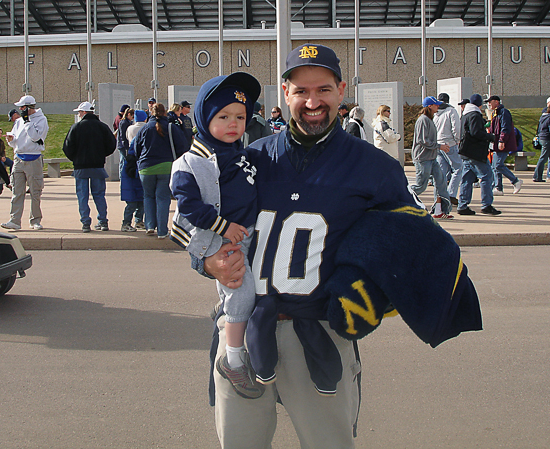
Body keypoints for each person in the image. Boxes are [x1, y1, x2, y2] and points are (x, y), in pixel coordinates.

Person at [201, 44, 418, 448]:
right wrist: (209, 263)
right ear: (285, 94)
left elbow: (411, 246)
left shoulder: (375, 168)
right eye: (301, 91)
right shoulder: (250, 160)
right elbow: (204, 229)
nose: (312, 101)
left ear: (341, 90)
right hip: (243, 330)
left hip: (320, 332)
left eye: (323, 89)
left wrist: (370, 300)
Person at [170, 72, 262, 399]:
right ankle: (233, 358)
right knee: (242, 290)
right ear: (203, 118)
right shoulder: (192, 162)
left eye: (240, 116)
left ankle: (229, 315)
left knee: (243, 291)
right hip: (226, 241)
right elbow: (184, 217)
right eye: (223, 116)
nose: (233, 123)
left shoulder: (245, 154)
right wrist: (220, 234)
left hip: (251, 236)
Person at [132, 102, 189, 238]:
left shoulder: (144, 128)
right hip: (166, 166)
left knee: (148, 196)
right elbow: (182, 146)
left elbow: (136, 149)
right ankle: (162, 231)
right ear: (165, 112)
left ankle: (150, 226)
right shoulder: (171, 127)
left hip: (145, 168)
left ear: (151, 112)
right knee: (162, 198)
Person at [62, 102, 117, 232]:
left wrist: (75, 158)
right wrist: (102, 155)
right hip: (98, 166)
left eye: (80, 112)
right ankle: (103, 221)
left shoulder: (76, 127)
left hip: (80, 167)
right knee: (99, 195)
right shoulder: (102, 127)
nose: (79, 114)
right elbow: (111, 144)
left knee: (82, 196)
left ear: (84, 112)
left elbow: (67, 147)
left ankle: (85, 222)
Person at [2, 95, 49, 231]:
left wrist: (28, 122)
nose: (20, 110)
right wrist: (11, 140)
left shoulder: (41, 120)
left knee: (35, 191)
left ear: (29, 107)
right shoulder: (18, 122)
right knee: (17, 190)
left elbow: (35, 137)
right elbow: (15, 140)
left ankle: (35, 220)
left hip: (33, 158)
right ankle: (14, 220)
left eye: (22, 107)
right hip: (19, 158)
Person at [457, 94, 500, 216]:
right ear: (479, 104)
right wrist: (490, 137)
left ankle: (462, 205)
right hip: (475, 152)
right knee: (487, 176)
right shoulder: (475, 115)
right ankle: (486, 204)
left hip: (465, 151)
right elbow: (476, 132)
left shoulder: (465, 115)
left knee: (467, 179)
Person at [411, 96, 453, 218]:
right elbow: (423, 141)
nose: (438, 106)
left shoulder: (429, 119)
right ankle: (402, 196)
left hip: (431, 158)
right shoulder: (423, 120)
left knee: (441, 182)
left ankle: (438, 210)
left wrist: (438, 147)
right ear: (429, 106)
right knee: (421, 186)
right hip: (423, 158)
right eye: (436, 105)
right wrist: (439, 146)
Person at [486, 96, 523, 195]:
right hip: (495, 142)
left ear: (497, 102)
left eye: (490, 102)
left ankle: (515, 181)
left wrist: (502, 140)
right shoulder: (495, 113)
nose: (489, 104)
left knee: (498, 165)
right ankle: (498, 188)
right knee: (494, 166)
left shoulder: (504, 112)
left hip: (502, 143)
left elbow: (505, 127)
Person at [434, 93, 463, 205]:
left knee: (442, 171)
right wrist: (457, 140)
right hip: (449, 143)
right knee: (458, 168)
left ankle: (440, 196)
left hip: (438, 144)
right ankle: (450, 194)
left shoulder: (436, 113)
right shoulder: (451, 111)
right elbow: (456, 127)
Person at [116, 106, 135, 171]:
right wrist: (126, 146)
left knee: (124, 161)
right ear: (128, 114)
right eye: (132, 116)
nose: (133, 118)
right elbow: (123, 136)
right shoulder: (124, 122)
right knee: (123, 161)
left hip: (123, 144)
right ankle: (121, 176)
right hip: (123, 145)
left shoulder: (127, 122)